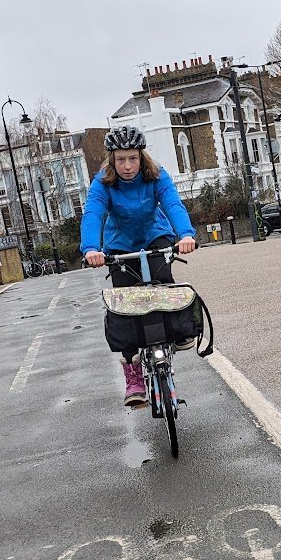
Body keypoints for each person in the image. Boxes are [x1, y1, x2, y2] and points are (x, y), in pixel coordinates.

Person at [81, 125, 198, 406]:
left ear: (141, 156)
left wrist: (185, 234)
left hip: (154, 234)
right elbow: (93, 213)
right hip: (120, 243)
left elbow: (172, 203)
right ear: (112, 159)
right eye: (120, 159)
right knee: (124, 304)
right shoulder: (103, 182)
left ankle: (179, 333)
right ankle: (132, 372)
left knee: (164, 282)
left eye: (132, 158)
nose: (127, 166)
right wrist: (91, 249)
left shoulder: (156, 174)